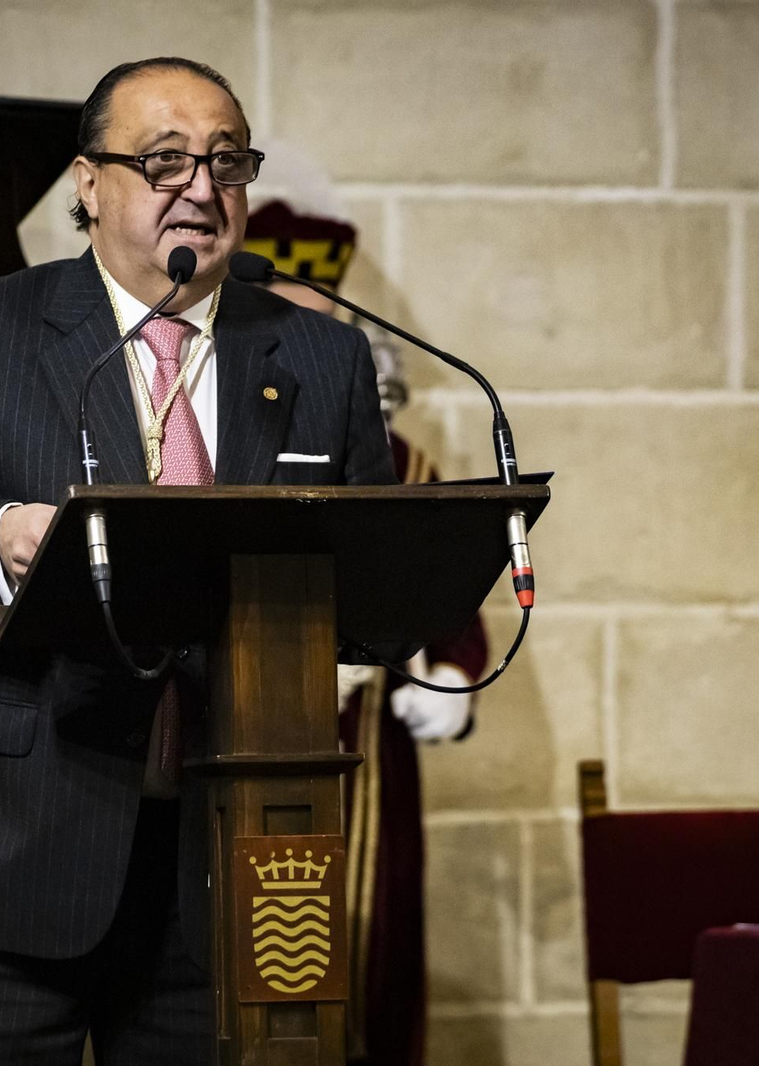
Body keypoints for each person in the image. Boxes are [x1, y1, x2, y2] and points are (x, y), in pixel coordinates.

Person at [0, 57, 393, 1064]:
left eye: (226, 162)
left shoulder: (318, 355)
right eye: (164, 161)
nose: (202, 191)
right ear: (89, 183)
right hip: (1, 862)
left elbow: (375, 581)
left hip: (226, 873)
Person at [244, 197, 490, 1066]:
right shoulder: (217, 446)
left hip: (369, 750)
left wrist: (455, 677)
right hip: (247, 731)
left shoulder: (406, 463)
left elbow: (453, 602)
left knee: (370, 950)